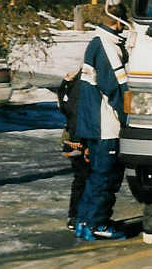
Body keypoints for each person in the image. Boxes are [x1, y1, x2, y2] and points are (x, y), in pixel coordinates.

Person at [74, 4, 130, 240]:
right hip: (106, 124)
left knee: (96, 175)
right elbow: (118, 89)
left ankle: (85, 220)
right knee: (106, 176)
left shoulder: (97, 41)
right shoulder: (108, 46)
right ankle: (98, 223)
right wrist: (131, 119)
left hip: (93, 122)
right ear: (118, 21)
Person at [57, 67, 89, 231]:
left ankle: (76, 216)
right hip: (78, 139)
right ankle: (78, 216)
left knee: (81, 178)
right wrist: (77, 139)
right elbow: (75, 110)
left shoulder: (73, 80)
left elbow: (64, 105)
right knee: (85, 178)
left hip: (72, 136)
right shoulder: (83, 81)